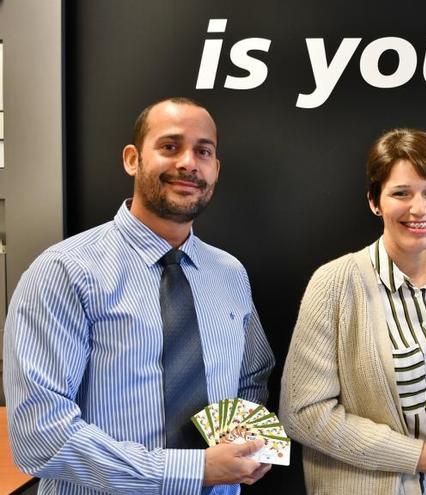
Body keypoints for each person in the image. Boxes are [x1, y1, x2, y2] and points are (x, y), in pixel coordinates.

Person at [2, 97, 275, 494]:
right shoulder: (66, 272)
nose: (188, 163)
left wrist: (243, 444)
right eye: (170, 147)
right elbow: (40, 437)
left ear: (215, 169)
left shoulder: (229, 274)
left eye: (204, 151)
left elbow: (251, 377)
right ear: (133, 159)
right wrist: (194, 468)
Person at [280, 128, 426, 494]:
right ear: (374, 201)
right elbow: (302, 413)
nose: (419, 208)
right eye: (401, 193)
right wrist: (415, 455)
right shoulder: (334, 284)